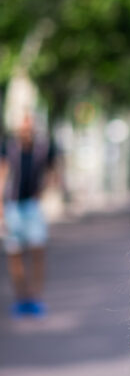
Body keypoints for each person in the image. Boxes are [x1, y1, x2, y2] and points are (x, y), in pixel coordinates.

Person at [0, 112, 58, 316]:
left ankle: (36, 297)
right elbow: (2, 174)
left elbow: (53, 170)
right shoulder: (8, 147)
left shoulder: (43, 148)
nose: (26, 132)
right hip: (13, 206)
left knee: (38, 250)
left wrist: (46, 188)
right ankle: (21, 297)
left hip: (33, 206)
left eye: (29, 129)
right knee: (14, 253)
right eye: (23, 129)